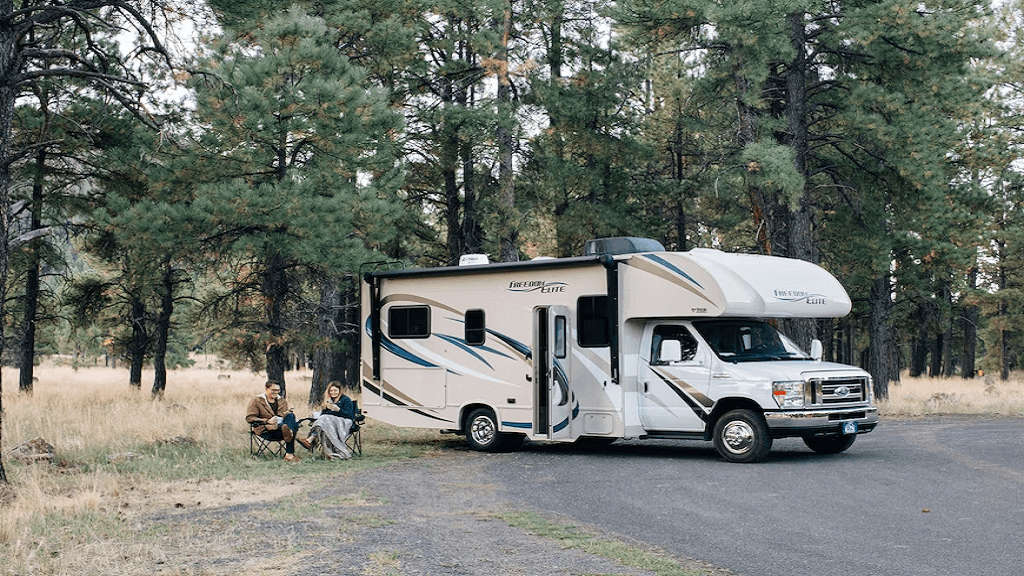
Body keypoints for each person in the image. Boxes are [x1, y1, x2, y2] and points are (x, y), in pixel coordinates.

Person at [246, 380, 312, 462]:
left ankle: (289, 435)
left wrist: (285, 414)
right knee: (291, 426)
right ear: (266, 389)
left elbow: (283, 415)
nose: (276, 392)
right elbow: (250, 418)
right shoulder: (256, 401)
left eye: (278, 390)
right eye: (273, 390)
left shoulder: (282, 401)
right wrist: (267, 421)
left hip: (282, 431)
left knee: (291, 416)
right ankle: (292, 448)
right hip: (266, 431)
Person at [304, 381, 356, 459]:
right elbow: (323, 415)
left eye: (335, 390)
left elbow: (350, 415)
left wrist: (338, 410)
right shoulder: (329, 401)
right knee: (324, 423)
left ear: (339, 391)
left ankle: (311, 439)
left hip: (344, 422)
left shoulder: (346, 399)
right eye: (331, 391)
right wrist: (324, 409)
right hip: (330, 423)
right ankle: (327, 453)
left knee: (325, 419)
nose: (333, 392)